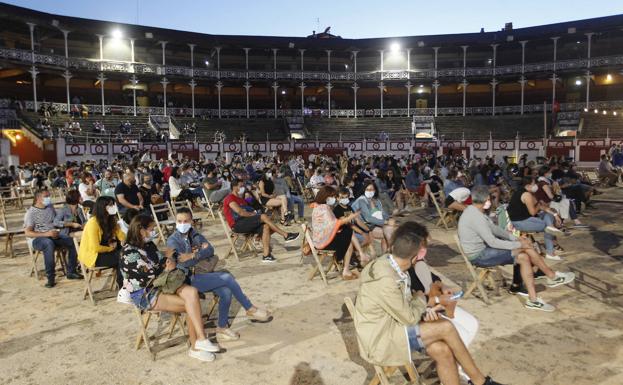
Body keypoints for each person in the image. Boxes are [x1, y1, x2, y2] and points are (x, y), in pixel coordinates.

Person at [354, 221, 504, 385]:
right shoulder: (387, 279)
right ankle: (479, 381)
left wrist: (424, 307)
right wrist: (425, 299)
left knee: (442, 350)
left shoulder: (388, 263)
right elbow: (410, 317)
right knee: (446, 327)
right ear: (415, 256)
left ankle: (476, 381)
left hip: (391, 326)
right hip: (381, 339)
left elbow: (403, 305)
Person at [120, 214, 220, 362]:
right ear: (141, 230)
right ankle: (196, 346)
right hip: (145, 292)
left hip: (164, 283)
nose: (154, 231)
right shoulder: (129, 252)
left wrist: (166, 261)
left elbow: (161, 260)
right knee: (191, 304)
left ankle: (200, 340)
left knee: (192, 293)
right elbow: (148, 275)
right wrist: (166, 267)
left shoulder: (148, 244)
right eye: (151, 228)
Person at [458, 186, 575, 311]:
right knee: (525, 248)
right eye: (489, 199)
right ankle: (551, 276)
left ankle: (533, 300)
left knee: (524, 257)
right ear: (485, 200)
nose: (490, 201)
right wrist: (519, 244)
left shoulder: (474, 211)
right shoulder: (476, 217)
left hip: (484, 251)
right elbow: (492, 242)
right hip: (479, 256)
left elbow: (495, 230)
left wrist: (515, 239)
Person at [167, 208, 271, 341]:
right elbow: (183, 263)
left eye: (185, 221)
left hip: (200, 274)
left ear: (191, 221)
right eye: (179, 221)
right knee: (227, 277)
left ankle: (222, 327)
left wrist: (194, 254)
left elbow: (210, 250)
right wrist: (199, 252)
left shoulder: (194, 234)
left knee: (226, 292)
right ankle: (249, 307)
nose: (182, 224)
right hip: (186, 279)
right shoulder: (172, 241)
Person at [223, 179, 300, 263]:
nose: (243, 188)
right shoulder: (229, 198)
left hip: (246, 222)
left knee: (266, 226)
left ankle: (266, 255)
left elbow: (252, 208)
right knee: (263, 217)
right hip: (237, 225)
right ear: (234, 187)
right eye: (241, 186)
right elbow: (240, 212)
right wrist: (254, 215)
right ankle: (285, 235)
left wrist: (252, 200)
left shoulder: (242, 199)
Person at [24, 189, 82, 288]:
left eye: (49, 196)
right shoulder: (31, 213)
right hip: (38, 238)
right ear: (38, 198)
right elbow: (28, 233)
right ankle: (50, 278)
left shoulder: (50, 207)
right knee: (48, 244)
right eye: (46, 196)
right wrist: (47, 234)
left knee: (72, 241)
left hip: (54, 235)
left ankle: (71, 271)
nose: (48, 198)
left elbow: (56, 222)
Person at [507, 176, 564, 261]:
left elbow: (542, 207)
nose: (536, 186)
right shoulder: (526, 194)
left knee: (549, 215)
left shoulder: (526, 192)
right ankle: (550, 252)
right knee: (548, 227)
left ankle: (551, 228)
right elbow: (533, 212)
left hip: (527, 219)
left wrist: (555, 215)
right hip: (521, 222)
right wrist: (539, 204)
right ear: (528, 185)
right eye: (534, 184)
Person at [311, 186, 361, 279]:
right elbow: (334, 223)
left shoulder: (319, 207)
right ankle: (345, 268)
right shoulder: (323, 208)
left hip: (320, 239)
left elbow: (330, 225)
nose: (334, 198)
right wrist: (349, 218)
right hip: (323, 241)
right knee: (347, 233)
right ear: (326, 197)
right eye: (333, 196)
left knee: (347, 236)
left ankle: (346, 269)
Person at [78, 196, 126, 289]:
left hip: (106, 251)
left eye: (113, 205)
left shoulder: (111, 219)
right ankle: (122, 286)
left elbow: (120, 234)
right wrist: (110, 248)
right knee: (122, 257)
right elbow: (95, 247)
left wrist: (123, 240)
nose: (113, 207)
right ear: (103, 207)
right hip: (94, 256)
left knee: (125, 254)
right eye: (110, 205)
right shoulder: (93, 223)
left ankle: (125, 283)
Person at [352, 181, 397, 252]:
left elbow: (383, 213)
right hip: (365, 226)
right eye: (367, 189)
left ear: (375, 190)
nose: (370, 191)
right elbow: (368, 218)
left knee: (391, 228)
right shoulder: (361, 200)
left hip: (376, 224)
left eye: (372, 189)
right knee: (389, 231)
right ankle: (390, 251)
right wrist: (385, 222)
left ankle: (386, 254)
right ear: (364, 190)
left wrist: (389, 219)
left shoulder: (376, 200)